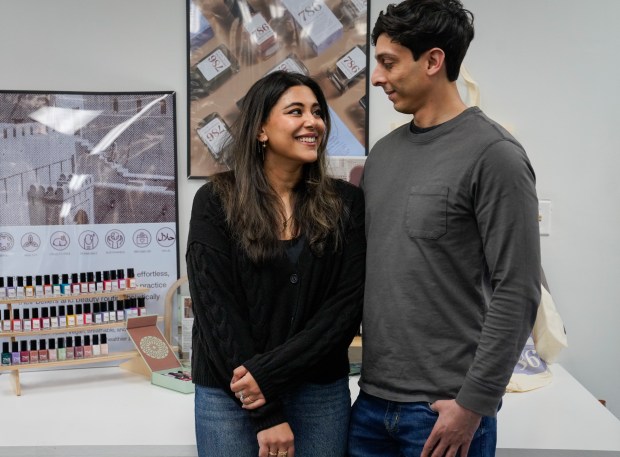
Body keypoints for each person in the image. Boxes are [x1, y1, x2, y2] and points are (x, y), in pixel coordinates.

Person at [348, 1, 541, 456]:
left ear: (433, 61)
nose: (376, 78)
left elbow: (518, 289)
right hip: (371, 403)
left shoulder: (495, 155)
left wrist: (474, 405)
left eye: (388, 63)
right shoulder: (382, 155)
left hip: (443, 412)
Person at [186, 71, 365, 457]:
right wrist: (265, 410)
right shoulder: (216, 201)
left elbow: (346, 308)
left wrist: (267, 376)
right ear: (261, 130)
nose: (312, 122)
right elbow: (217, 313)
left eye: (317, 112)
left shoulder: (346, 203)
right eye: (295, 111)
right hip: (230, 394)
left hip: (318, 393)